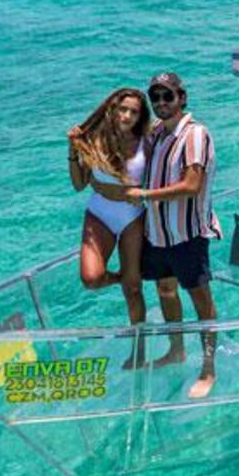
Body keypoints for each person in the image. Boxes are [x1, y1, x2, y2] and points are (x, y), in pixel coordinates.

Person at [105, 72, 222, 400]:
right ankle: (176, 350)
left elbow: (191, 185)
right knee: (165, 290)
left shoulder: (195, 135)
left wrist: (143, 195)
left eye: (167, 96)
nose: (160, 103)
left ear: (182, 97)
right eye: (155, 97)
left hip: (186, 234)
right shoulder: (159, 134)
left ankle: (208, 368)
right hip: (158, 234)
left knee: (202, 302)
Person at [67, 88, 151, 344]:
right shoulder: (93, 139)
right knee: (91, 279)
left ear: (140, 116)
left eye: (134, 112)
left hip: (132, 216)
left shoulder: (147, 141)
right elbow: (79, 184)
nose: (127, 116)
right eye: (122, 109)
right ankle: (122, 277)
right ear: (112, 110)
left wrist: (147, 193)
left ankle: (139, 349)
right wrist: (72, 151)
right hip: (99, 213)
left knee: (133, 290)